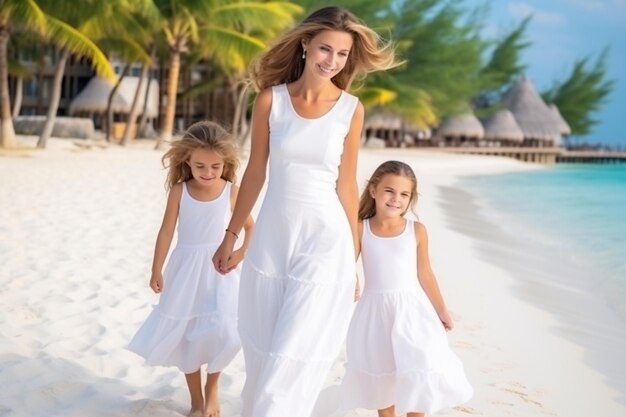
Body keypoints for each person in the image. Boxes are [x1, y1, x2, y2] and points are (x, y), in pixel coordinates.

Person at [211, 6, 397, 417]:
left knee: (292, 352)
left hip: (326, 242)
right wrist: (231, 235)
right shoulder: (270, 101)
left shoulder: (351, 109)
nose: (332, 61)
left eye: (343, 54)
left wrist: (354, 258)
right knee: (264, 351)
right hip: (274, 240)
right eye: (325, 49)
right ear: (305, 44)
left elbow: (347, 186)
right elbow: (255, 174)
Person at [129, 121, 254, 417]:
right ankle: (197, 400)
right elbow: (165, 232)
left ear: (225, 163)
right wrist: (156, 269)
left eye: (215, 167)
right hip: (185, 271)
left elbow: (251, 228)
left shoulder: (230, 191)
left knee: (226, 331)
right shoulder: (179, 191)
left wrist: (239, 254)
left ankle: (213, 388)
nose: (208, 173)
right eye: (200, 166)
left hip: (220, 271)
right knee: (187, 335)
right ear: (186, 159)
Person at [340, 160, 473, 416]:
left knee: (417, 371)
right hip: (375, 315)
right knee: (383, 376)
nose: (395, 199)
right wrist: (352, 279)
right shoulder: (361, 228)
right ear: (373, 190)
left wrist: (442, 310)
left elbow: (425, 273)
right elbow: (347, 262)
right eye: (389, 191)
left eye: (404, 194)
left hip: (413, 313)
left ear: (411, 198)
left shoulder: (417, 230)